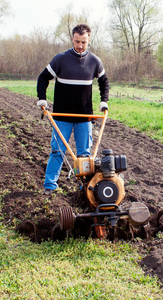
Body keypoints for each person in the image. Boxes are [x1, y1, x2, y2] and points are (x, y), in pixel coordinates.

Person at [36, 23, 110, 195]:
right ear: (72, 39)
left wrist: (104, 101)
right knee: (57, 151)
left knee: (84, 155)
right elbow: (43, 77)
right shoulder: (60, 59)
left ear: (89, 40)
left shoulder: (94, 61)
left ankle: (84, 189)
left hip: (84, 117)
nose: (80, 46)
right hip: (62, 115)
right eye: (77, 42)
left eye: (83, 42)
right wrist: (42, 98)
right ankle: (50, 187)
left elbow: (104, 82)